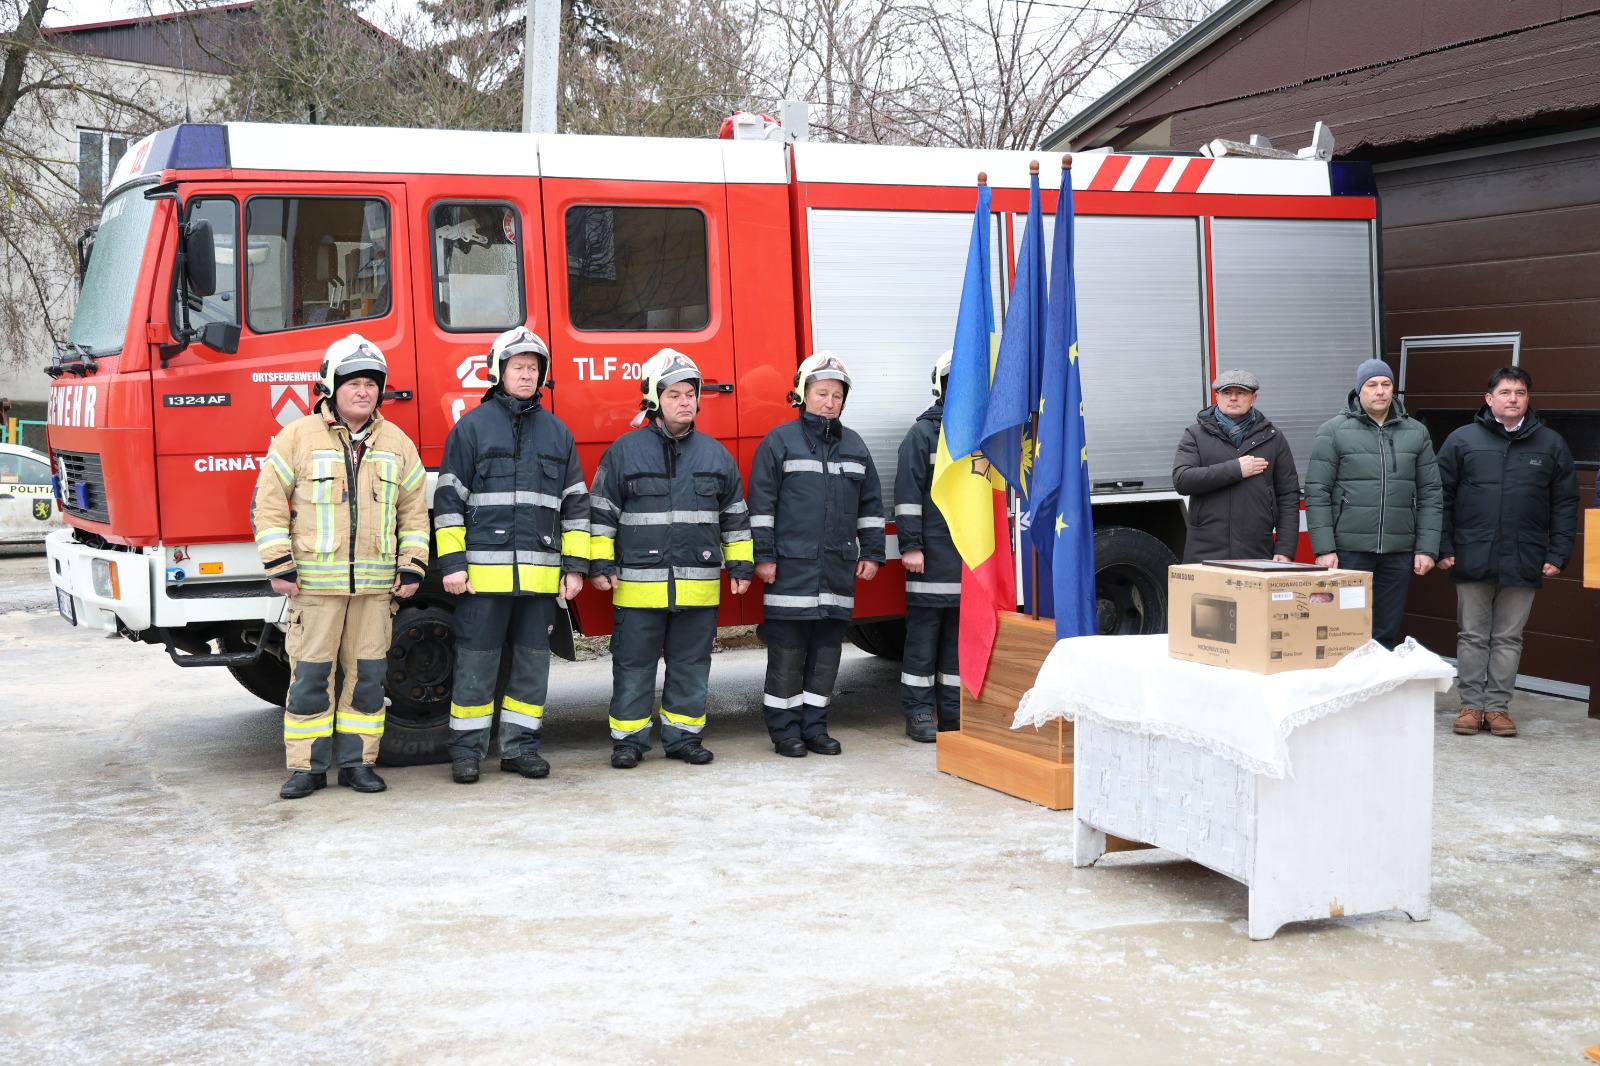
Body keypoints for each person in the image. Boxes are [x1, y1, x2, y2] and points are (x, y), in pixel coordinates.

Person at [251, 335, 429, 800]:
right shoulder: (298, 437)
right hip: (314, 588)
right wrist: (278, 563)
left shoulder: (397, 443)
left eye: (371, 383)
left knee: (368, 679)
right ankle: (306, 768)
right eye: (353, 383)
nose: (363, 391)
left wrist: (411, 567)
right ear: (332, 386)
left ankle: (357, 763)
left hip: (374, 592)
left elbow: (414, 511)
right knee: (310, 678)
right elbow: (268, 505)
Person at [433, 327, 589, 784]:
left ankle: (521, 748)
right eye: (519, 366)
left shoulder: (557, 432)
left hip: (540, 581)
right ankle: (467, 752)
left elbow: (575, 505)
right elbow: (448, 502)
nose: (527, 374)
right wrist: (454, 565)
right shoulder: (472, 428)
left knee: (531, 667)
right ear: (498, 371)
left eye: (534, 367)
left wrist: (575, 567)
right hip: (483, 581)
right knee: (476, 666)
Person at [588, 349, 753, 768]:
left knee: (691, 665)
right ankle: (629, 741)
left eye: (690, 394)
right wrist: (600, 565)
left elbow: (734, 516)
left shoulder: (716, 455)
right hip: (638, 589)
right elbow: (602, 512)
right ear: (653, 399)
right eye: (674, 394)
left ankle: (684, 738)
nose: (685, 401)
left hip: (696, 588)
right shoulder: (624, 451)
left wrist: (741, 564)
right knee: (633, 667)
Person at [749, 353, 885, 757]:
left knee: (827, 656)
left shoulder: (855, 446)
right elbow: (761, 505)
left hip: (837, 571)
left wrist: (873, 553)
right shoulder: (780, 442)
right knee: (788, 655)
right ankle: (785, 731)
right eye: (822, 393)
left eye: (837, 395)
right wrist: (764, 556)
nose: (830, 402)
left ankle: (815, 727)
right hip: (790, 570)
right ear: (802, 394)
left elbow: (872, 505)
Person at [1437, 367, 1578, 738]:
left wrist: (1559, 551)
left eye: (1519, 392)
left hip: (1525, 556)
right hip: (1471, 553)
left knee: (1508, 638)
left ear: (1528, 399)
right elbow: (1439, 497)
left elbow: (1565, 503)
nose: (1512, 398)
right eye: (1505, 392)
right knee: (1472, 635)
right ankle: (1470, 706)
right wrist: (1442, 545)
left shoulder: (1550, 444)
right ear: (1489, 399)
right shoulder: (1462, 440)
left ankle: (1497, 708)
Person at [1305, 358, 1443, 649]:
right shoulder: (1333, 431)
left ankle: (1378, 691)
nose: (1379, 391)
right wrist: (1325, 548)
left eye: (1386, 384)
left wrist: (1427, 548)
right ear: (1359, 390)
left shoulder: (1416, 432)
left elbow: (1431, 492)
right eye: (1372, 385)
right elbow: (1317, 492)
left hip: (1398, 552)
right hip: (1349, 551)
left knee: (1385, 631)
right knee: (1344, 629)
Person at [894, 350, 961, 742]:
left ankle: (953, 715)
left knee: (956, 646)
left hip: (966, 559)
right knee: (922, 643)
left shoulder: (981, 436)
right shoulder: (922, 435)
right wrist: (912, 546)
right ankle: (919, 713)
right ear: (940, 386)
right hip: (931, 558)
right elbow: (906, 496)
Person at [1172, 369, 1301, 563]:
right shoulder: (1195, 434)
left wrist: (1285, 548)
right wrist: (1236, 469)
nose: (1233, 398)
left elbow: (1288, 495)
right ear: (1217, 396)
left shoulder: (1273, 438)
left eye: (1240, 393)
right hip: (1205, 550)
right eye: (1226, 393)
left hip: (1257, 549)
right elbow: (1183, 480)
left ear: (1253, 397)